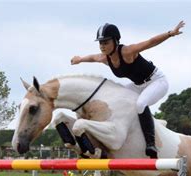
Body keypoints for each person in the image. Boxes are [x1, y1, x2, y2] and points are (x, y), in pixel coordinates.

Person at [71, 21, 185, 159]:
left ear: (115, 41)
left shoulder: (127, 51)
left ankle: (151, 144)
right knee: (116, 97)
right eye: (100, 43)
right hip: (138, 85)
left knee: (140, 104)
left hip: (157, 81)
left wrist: (170, 33)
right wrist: (80, 59)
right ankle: (150, 123)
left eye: (106, 42)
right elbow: (91, 57)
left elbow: (150, 42)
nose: (102, 46)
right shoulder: (104, 58)